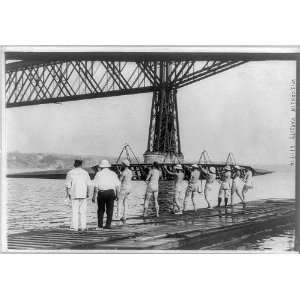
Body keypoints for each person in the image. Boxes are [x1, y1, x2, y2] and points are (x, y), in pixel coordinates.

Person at [92, 159, 120, 230]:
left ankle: (100, 226)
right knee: (110, 210)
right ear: (108, 166)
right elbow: (117, 186)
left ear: (101, 166)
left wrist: (94, 196)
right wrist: (117, 195)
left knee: (101, 210)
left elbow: (96, 186)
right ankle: (108, 225)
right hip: (111, 193)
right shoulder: (113, 174)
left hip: (101, 193)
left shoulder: (98, 174)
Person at [65, 159, 91, 232]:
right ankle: (83, 227)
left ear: (74, 164)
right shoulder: (85, 173)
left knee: (74, 211)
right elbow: (88, 184)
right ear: (81, 165)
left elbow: (68, 185)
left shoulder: (70, 172)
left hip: (74, 194)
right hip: (83, 194)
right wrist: (88, 193)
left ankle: (74, 228)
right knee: (83, 212)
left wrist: (67, 194)